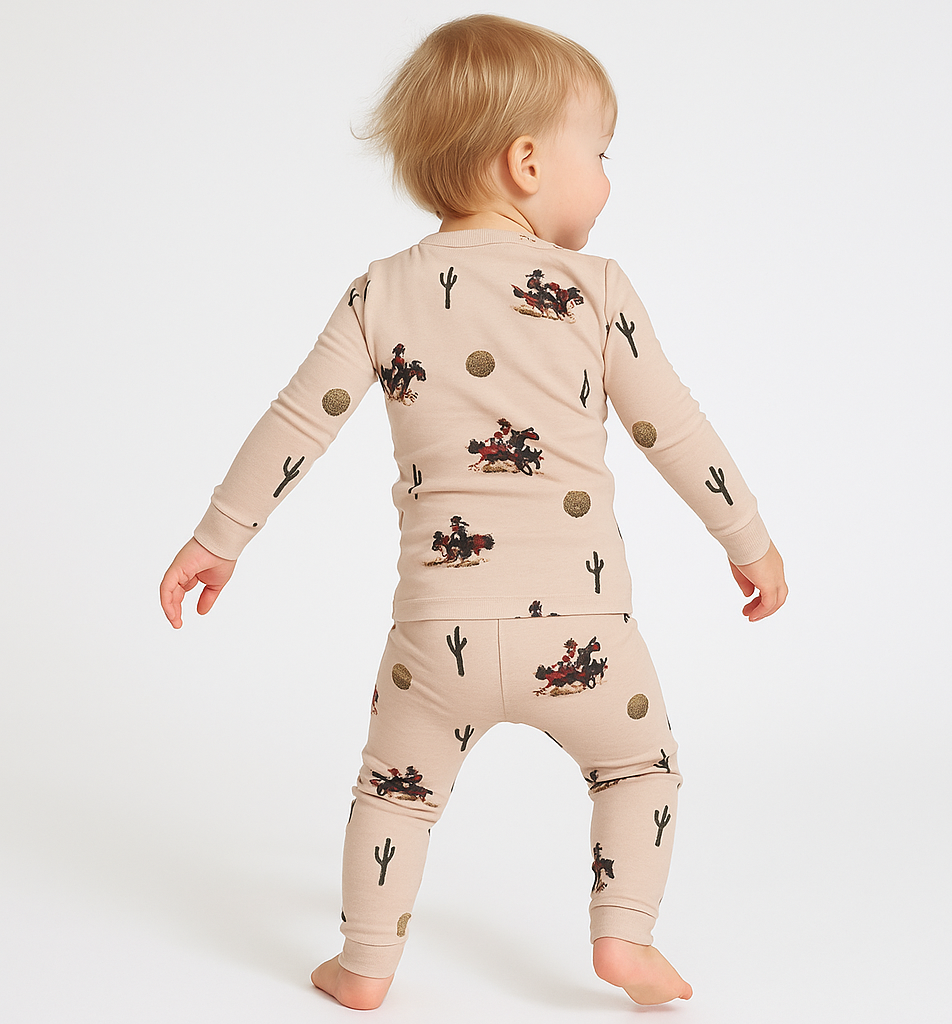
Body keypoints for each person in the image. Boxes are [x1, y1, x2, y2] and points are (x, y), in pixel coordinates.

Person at [159, 13, 787, 1010]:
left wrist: (216, 539)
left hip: (433, 638)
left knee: (391, 796)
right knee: (639, 768)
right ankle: (623, 939)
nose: (610, 179)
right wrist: (746, 538)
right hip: (585, 634)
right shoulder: (598, 291)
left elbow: (296, 423)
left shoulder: (383, 293)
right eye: (602, 153)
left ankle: (364, 962)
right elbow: (675, 429)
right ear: (528, 161)